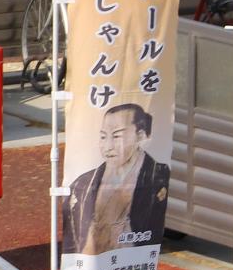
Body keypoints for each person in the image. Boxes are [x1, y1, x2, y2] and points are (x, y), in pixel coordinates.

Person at [62, 101, 171, 259]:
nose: (108, 146)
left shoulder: (159, 177)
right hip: (92, 259)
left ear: (140, 135)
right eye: (103, 137)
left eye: (117, 136)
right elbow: (73, 233)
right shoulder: (84, 182)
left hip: (134, 258)